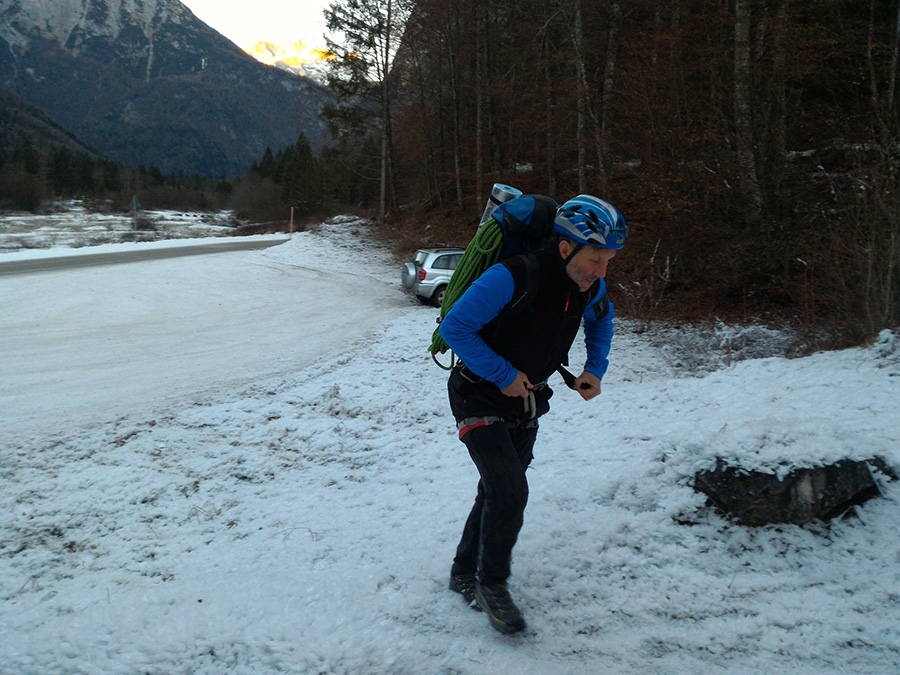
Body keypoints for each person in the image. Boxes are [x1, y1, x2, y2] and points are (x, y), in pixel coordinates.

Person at [439, 194, 628, 634]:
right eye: (597, 260)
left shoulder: (590, 285)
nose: (603, 272)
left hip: (526, 400)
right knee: (509, 491)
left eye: (609, 261)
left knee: (495, 489)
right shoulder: (513, 275)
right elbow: (455, 328)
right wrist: (503, 373)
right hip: (477, 394)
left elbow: (602, 320)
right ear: (566, 248)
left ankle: (463, 572)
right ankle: (493, 585)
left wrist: (594, 369)